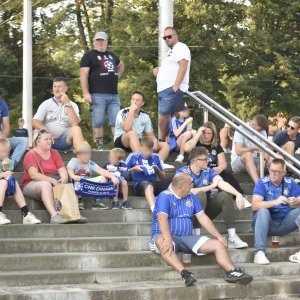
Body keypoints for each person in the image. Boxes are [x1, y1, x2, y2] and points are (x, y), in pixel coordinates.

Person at [149, 173, 253, 286]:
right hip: (166, 236)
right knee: (161, 241)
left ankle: (231, 272)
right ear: (180, 186)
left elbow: (203, 218)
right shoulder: (165, 196)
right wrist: (168, 239)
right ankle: (185, 273)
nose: (192, 186)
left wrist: (219, 236)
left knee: (218, 245)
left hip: (187, 237)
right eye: (190, 184)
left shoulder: (191, 196)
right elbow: (161, 218)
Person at [176, 147, 249, 249]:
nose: (208, 161)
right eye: (205, 159)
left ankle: (232, 237)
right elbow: (188, 191)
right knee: (200, 194)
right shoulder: (182, 172)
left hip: (204, 210)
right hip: (186, 213)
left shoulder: (207, 170)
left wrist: (238, 194)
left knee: (225, 194)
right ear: (195, 161)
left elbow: (221, 182)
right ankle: (196, 236)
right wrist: (210, 186)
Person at [184, 121, 249, 206]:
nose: (206, 135)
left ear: (213, 135)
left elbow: (223, 164)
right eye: (204, 133)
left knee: (227, 174)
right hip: (197, 172)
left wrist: (220, 168)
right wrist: (198, 134)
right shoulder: (196, 143)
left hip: (212, 172)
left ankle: (240, 196)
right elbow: (186, 148)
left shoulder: (217, 147)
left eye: (209, 133)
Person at [80, 31, 124, 151]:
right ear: (94, 42)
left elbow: (121, 65)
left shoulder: (112, 55)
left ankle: (118, 147)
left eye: (102, 40)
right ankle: (100, 148)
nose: (100, 42)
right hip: (97, 94)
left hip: (114, 95)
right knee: (98, 121)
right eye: (98, 40)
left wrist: (117, 76)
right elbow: (83, 75)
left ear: (106, 42)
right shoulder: (89, 56)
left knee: (116, 122)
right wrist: (85, 93)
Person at [252, 158, 300, 265]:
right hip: (265, 223)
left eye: (277, 172)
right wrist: (275, 202)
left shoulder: (290, 182)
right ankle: (259, 252)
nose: (273, 174)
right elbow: (255, 205)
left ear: (284, 173)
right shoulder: (262, 182)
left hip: (284, 222)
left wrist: (296, 201)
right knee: (263, 210)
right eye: (271, 170)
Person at [23, 130, 77, 224]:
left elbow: (62, 170)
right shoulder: (31, 154)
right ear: (38, 142)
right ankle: (54, 215)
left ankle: (74, 214)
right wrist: (52, 180)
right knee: (46, 185)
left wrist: (63, 179)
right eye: (46, 139)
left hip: (53, 181)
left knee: (68, 184)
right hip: (32, 184)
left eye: (50, 139)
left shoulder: (54, 153)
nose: (49, 141)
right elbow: (34, 175)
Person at [114, 91, 173, 169]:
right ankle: (141, 162)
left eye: (138, 100)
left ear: (142, 103)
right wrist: (131, 111)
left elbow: (150, 135)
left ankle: (156, 165)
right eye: (133, 99)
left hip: (137, 142)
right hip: (122, 141)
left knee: (165, 145)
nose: (134, 102)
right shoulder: (122, 112)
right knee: (132, 133)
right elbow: (127, 129)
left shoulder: (145, 116)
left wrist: (154, 142)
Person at [153, 27, 191, 141]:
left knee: (164, 115)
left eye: (169, 36)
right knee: (166, 116)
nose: (167, 39)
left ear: (176, 36)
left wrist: (176, 86)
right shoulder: (172, 51)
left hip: (171, 89)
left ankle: (162, 140)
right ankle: (169, 142)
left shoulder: (181, 47)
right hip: (165, 90)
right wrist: (158, 70)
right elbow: (172, 67)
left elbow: (183, 65)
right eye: (165, 38)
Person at [32, 77, 84, 151]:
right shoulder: (46, 103)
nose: (56, 89)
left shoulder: (73, 105)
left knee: (76, 129)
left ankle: (81, 159)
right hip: (47, 140)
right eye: (55, 86)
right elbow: (35, 121)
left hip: (64, 141)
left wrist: (67, 103)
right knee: (37, 131)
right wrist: (47, 131)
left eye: (59, 86)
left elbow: (75, 124)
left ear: (66, 88)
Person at [67, 141, 119, 210]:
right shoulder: (74, 161)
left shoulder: (90, 163)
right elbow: (69, 169)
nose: (87, 156)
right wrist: (73, 176)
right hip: (76, 183)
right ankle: (79, 200)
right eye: (85, 154)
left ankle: (96, 201)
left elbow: (102, 171)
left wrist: (113, 177)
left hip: (87, 184)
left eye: (89, 154)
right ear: (78, 155)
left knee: (104, 178)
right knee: (76, 180)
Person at [0, 138, 41, 225]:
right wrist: (2, 175)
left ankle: (26, 213)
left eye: (7, 153)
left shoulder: (7, 161)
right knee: (3, 182)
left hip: (3, 188)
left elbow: (7, 174)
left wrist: (5, 168)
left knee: (13, 181)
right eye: (2, 152)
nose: (5, 155)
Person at [126, 137, 172, 212]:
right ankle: (154, 210)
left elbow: (163, 177)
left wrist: (157, 169)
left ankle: (174, 204)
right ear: (140, 147)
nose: (148, 153)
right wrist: (133, 169)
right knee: (148, 185)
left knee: (173, 179)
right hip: (140, 184)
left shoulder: (156, 157)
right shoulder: (133, 156)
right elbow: (123, 171)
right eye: (145, 150)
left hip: (154, 183)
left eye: (150, 150)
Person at [231, 114, 269, 183]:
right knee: (248, 154)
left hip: (255, 159)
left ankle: (280, 186)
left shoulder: (262, 131)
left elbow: (265, 150)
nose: (260, 132)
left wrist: (261, 166)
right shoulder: (241, 129)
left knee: (272, 157)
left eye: (261, 130)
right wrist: (253, 148)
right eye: (259, 129)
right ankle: (258, 185)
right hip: (238, 161)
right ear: (253, 124)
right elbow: (238, 151)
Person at [0, 99, 28, 166]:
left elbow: (6, 125)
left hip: (1, 139)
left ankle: (10, 164)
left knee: (23, 141)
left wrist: (3, 139)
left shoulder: (2, 103)